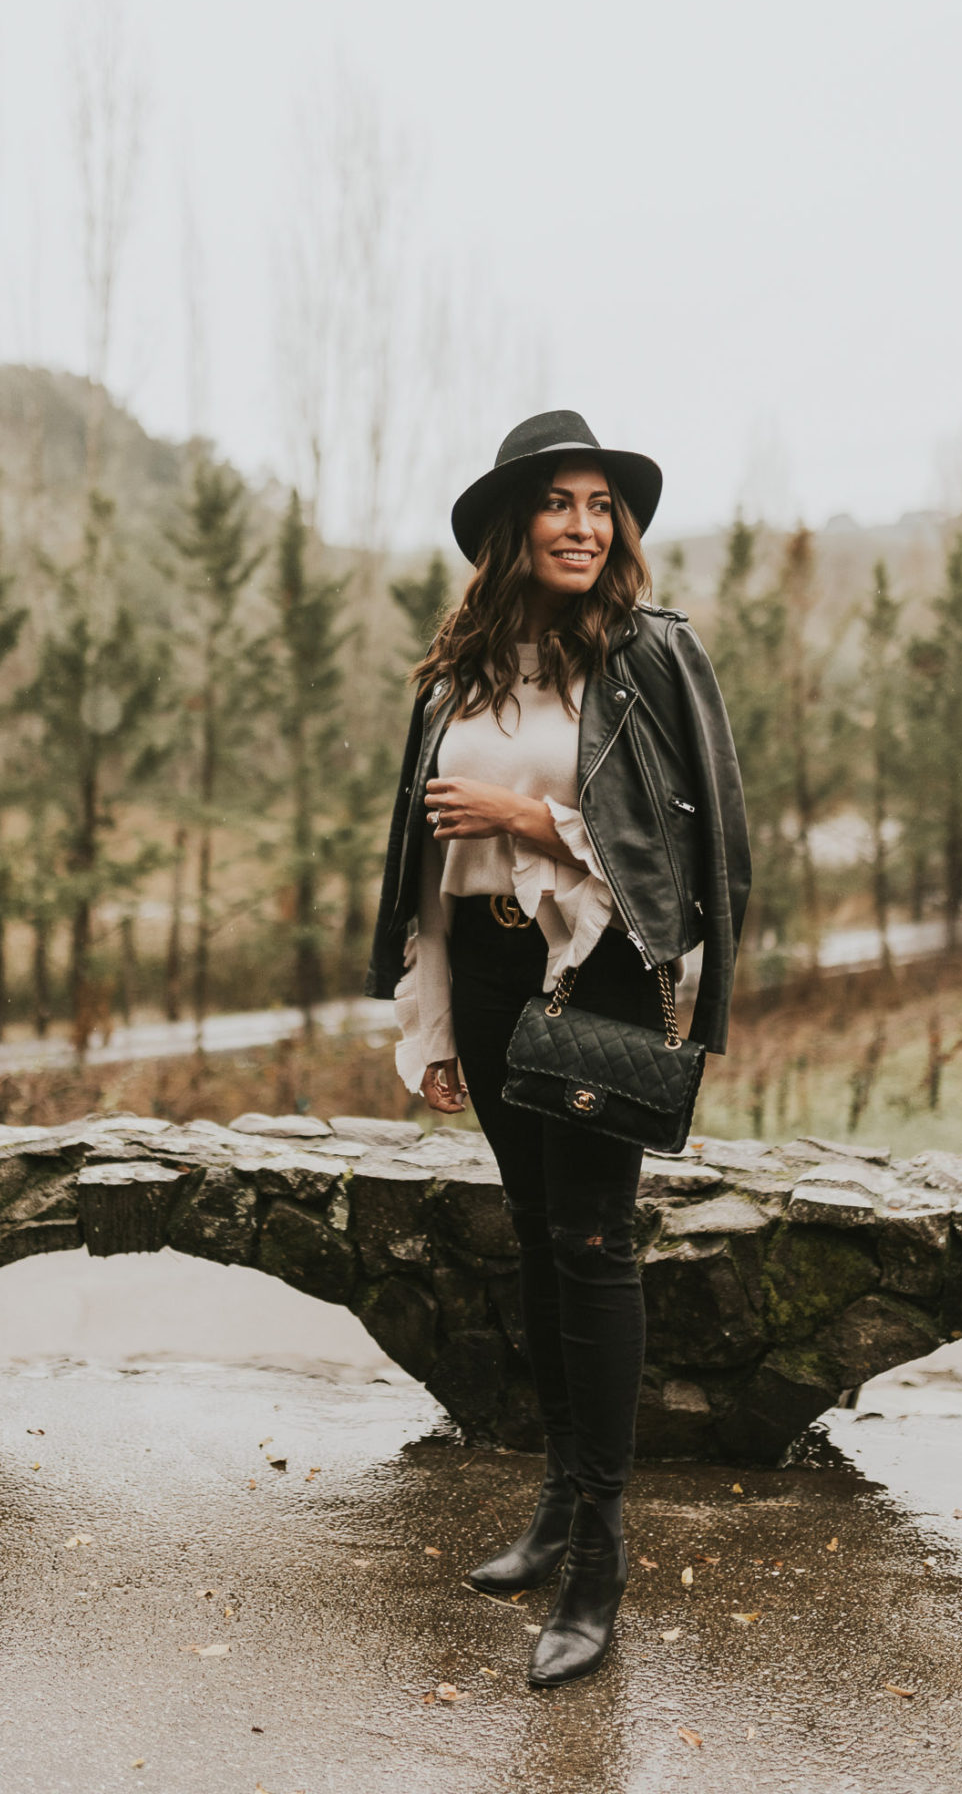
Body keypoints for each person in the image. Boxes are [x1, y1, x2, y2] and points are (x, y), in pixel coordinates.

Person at [366, 409, 750, 1687]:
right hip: (483, 975)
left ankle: (598, 1553)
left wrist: (530, 817)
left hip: (597, 972)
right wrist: (429, 1018)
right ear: (510, 525)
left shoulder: (650, 657)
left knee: (591, 1243)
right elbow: (425, 865)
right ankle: (553, 1497)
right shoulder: (458, 675)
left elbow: (690, 854)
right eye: (557, 502)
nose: (583, 525)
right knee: (536, 1236)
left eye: (600, 505)